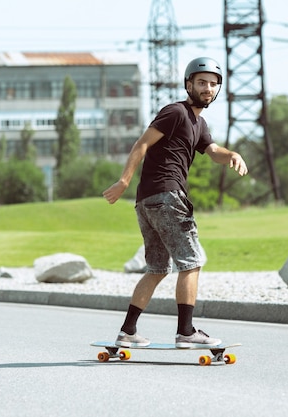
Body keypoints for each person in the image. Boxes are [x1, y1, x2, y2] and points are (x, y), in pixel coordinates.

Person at [102, 57, 248, 348]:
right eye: (202, 82)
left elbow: (213, 149)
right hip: (167, 196)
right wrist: (123, 181)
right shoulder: (175, 112)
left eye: (213, 84)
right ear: (188, 84)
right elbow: (141, 143)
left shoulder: (199, 123)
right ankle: (186, 331)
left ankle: (127, 331)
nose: (208, 88)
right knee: (191, 263)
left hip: (149, 201)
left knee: (157, 268)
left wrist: (231, 154)